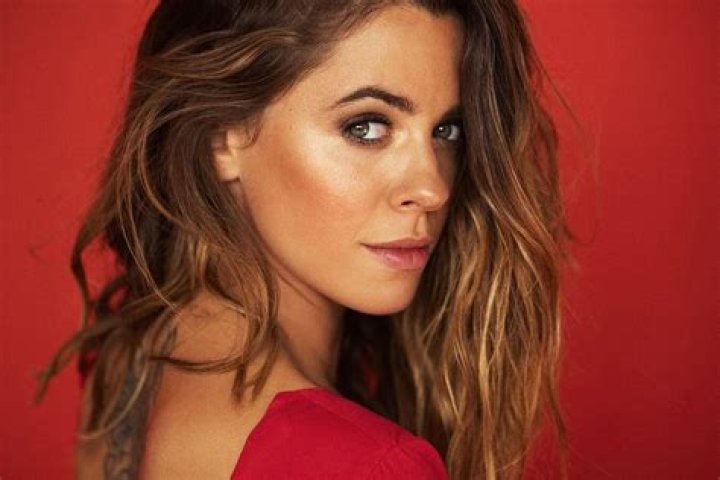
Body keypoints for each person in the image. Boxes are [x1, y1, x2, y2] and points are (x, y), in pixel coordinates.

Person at [36, 0, 570, 478]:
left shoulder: (129, 360)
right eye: (366, 127)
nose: (432, 189)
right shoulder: (370, 467)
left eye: (448, 130)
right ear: (222, 138)